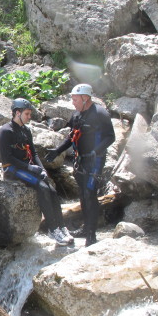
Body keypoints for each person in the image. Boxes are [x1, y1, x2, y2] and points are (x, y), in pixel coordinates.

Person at [45, 84, 116, 246]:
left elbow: (110, 137)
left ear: (85, 98)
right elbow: (71, 137)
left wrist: (96, 151)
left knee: (90, 194)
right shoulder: (77, 114)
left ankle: (92, 234)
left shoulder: (100, 113)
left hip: (95, 160)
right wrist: (58, 151)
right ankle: (86, 228)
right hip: (80, 159)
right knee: (83, 194)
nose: (73, 102)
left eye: (75, 99)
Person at [0, 98, 75, 246]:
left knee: (52, 191)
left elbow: (33, 154)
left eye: (29, 114)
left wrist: (42, 169)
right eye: (27, 114)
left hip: (26, 167)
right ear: (17, 113)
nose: (29, 117)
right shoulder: (5, 131)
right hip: (12, 169)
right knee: (43, 188)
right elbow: (7, 158)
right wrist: (30, 168)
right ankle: (53, 230)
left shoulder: (26, 131)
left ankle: (62, 227)